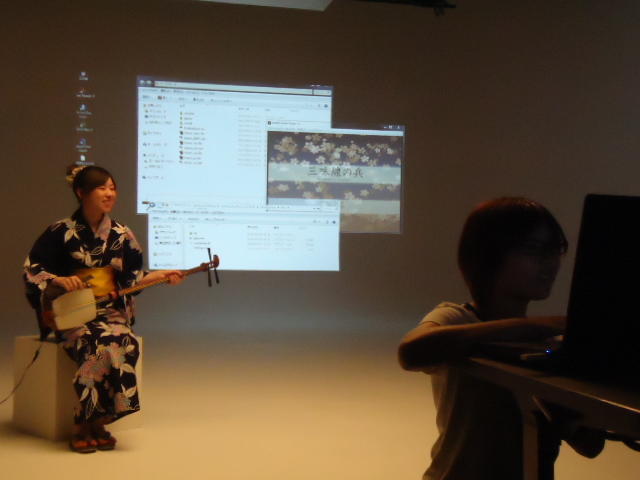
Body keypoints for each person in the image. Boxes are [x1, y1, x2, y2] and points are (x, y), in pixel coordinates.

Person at [397, 197, 572, 480]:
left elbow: (590, 445)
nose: (550, 262)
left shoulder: (549, 343)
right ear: (488, 255)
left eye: (555, 250)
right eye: (533, 249)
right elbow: (411, 351)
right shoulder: (455, 317)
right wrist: (538, 327)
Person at [23, 164, 184, 453]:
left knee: (125, 342)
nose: (110, 193)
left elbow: (131, 279)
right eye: (102, 188)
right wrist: (58, 280)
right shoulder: (60, 231)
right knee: (93, 343)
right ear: (81, 192)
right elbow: (32, 268)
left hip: (109, 313)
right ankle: (84, 424)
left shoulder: (121, 234)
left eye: (113, 188)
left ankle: (97, 421)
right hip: (73, 312)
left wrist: (160, 276)